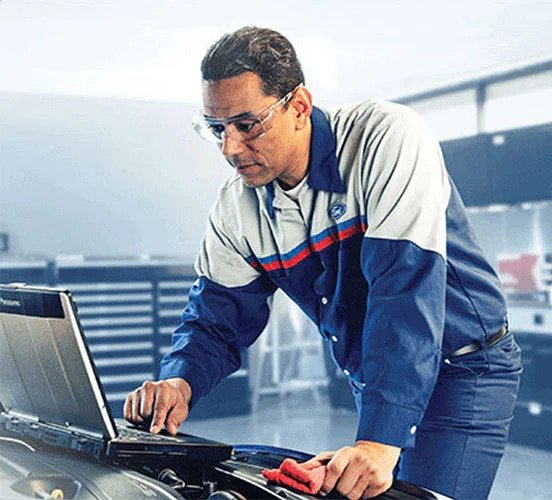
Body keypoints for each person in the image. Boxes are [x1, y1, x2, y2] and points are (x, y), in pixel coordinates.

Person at [125, 26, 522, 499]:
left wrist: (378, 440)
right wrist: (179, 381)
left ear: (298, 106)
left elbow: (404, 292)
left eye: (247, 124)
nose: (229, 149)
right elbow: (215, 320)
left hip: (463, 367)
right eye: (216, 130)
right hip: (377, 372)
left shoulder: (386, 139)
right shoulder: (236, 208)